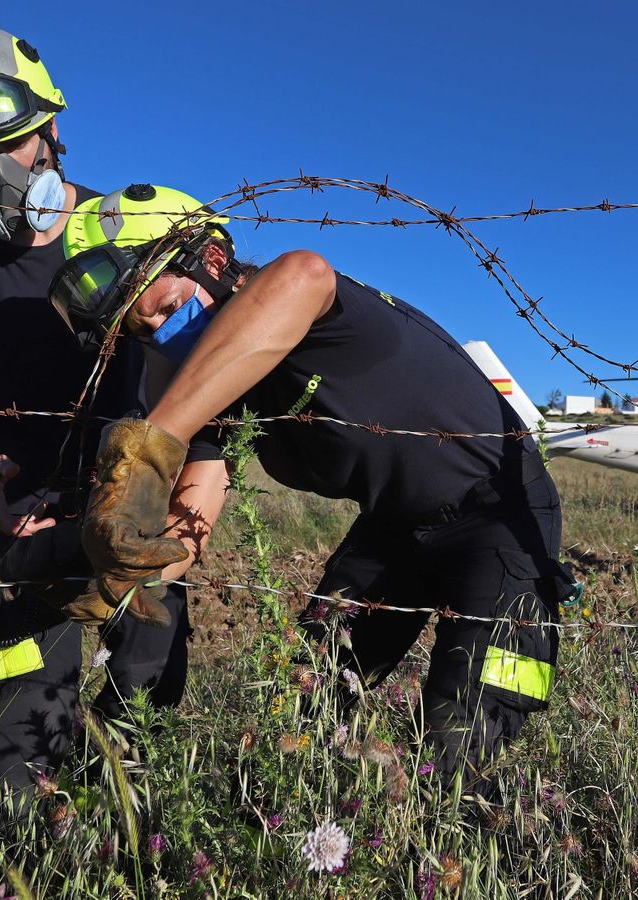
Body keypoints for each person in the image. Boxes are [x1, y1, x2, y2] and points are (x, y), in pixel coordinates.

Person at [47, 184, 573, 792]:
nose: (163, 334)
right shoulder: (225, 394)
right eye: (145, 332)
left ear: (211, 259)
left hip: (500, 515)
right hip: (394, 529)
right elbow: (192, 515)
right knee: (305, 705)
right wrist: (129, 575)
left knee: (463, 745)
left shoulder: (299, 301)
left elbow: (305, 272)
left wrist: (152, 440)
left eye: (166, 307)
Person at [0, 17, 224, 793]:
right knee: (9, 750)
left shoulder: (127, 229)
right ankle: (13, 834)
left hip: (139, 512)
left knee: (142, 733)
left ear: (51, 131)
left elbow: (202, 380)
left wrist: (184, 508)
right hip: (18, 523)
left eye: (8, 145)